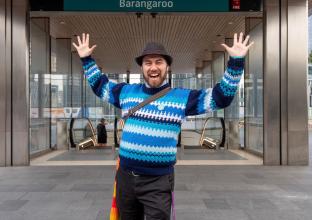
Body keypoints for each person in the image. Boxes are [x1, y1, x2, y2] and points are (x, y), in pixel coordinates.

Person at [73, 32, 253, 220]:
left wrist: (236, 62)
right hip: (125, 178)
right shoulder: (126, 92)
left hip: (157, 182)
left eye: (159, 62)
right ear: (141, 67)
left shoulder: (182, 98)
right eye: (148, 63)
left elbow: (220, 98)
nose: (153, 67)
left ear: (167, 66)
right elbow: (99, 85)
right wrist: (86, 58)